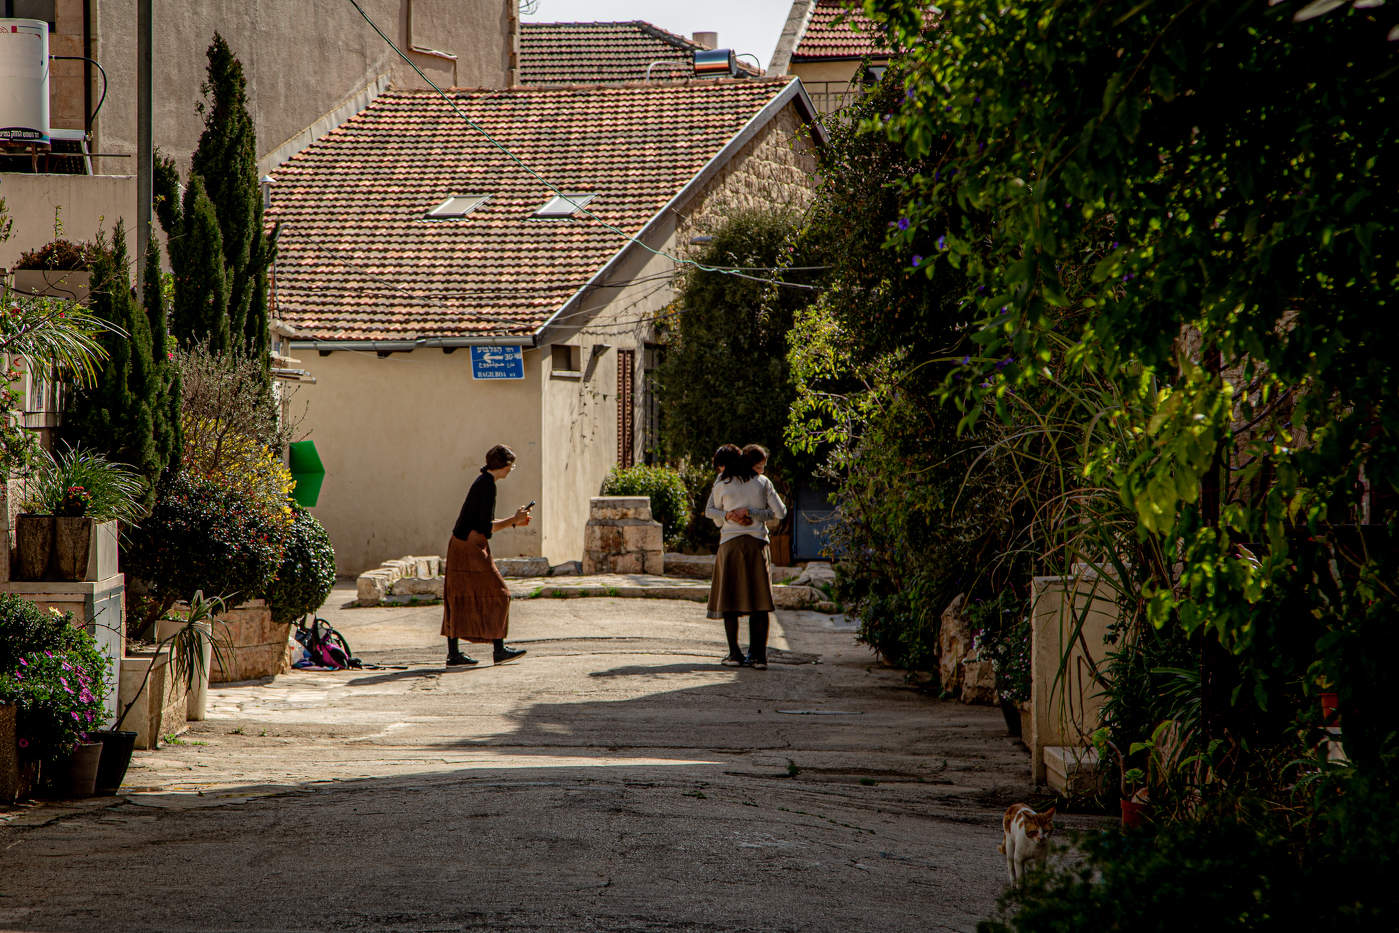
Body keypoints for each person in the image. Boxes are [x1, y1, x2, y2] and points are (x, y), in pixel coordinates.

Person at [442, 444, 532, 667]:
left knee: (459, 595)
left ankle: (456, 654)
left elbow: (484, 525)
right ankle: (498, 650)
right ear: (502, 465)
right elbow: (487, 527)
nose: (511, 469)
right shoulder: (487, 486)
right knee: (499, 593)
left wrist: (514, 520)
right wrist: (514, 519)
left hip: (462, 545)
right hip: (469, 547)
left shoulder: (483, 482)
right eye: (511, 465)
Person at [705, 443, 787, 669]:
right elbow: (780, 513)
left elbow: (710, 513)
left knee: (729, 602)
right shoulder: (763, 482)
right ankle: (759, 657)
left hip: (729, 546)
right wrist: (753, 513)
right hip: (757, 546)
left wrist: (729, 515)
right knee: (760, 603)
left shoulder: (722, 482)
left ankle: (734, 654)